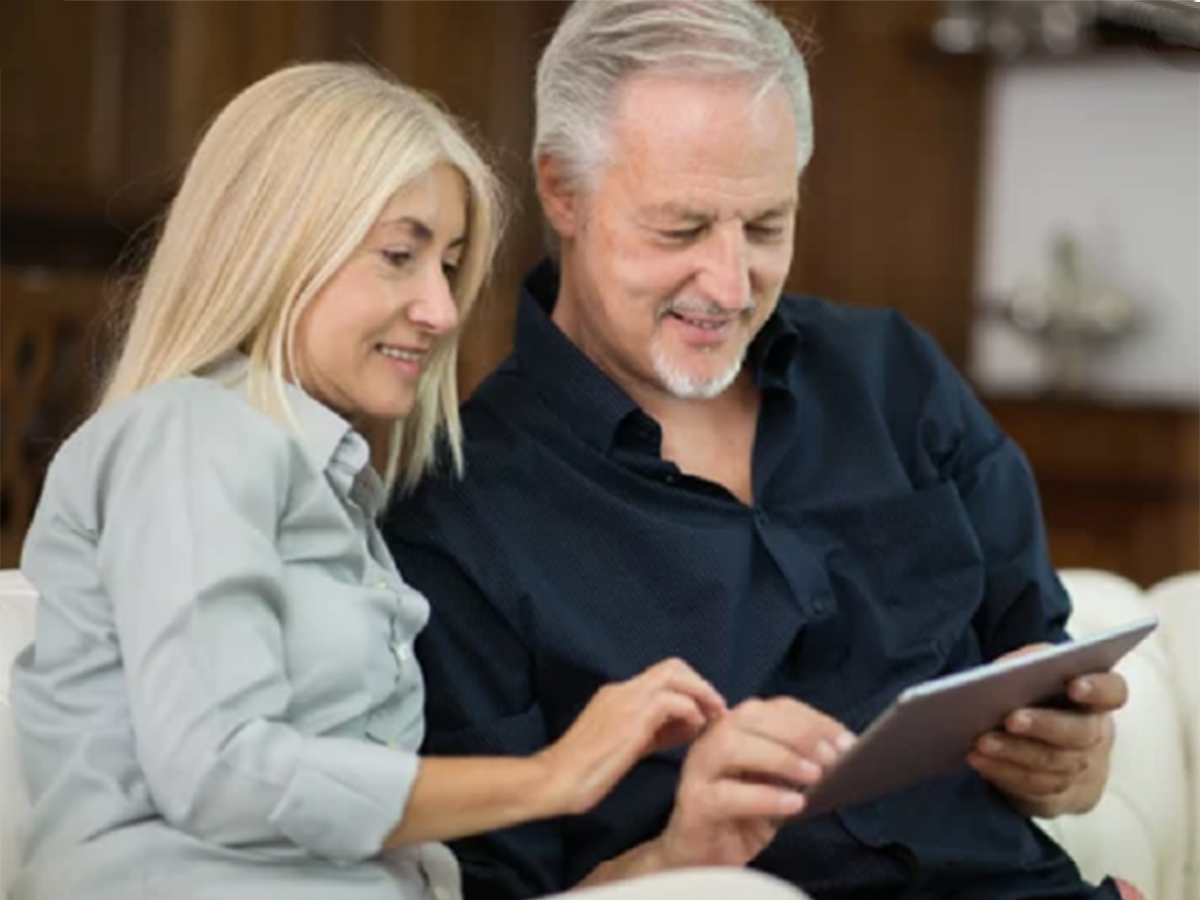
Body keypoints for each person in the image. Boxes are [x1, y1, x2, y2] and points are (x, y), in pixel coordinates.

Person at [382, 2, 1132, 899]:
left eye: (767, 225)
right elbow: (499, 888)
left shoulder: (895, 378)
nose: (731, 285)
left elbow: (1046, 689)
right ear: (562, 192)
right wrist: (680, 858)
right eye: (682, 228)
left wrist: (1071, 764)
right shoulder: (458, 516)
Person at [5, 61, 771, 900]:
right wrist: (553, 775)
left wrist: (671, 859)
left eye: (447, 265)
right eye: (399, 256)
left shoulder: (344, 505)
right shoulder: (188, 433)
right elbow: (220, 770)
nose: (442, 310)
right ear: (276, 245)